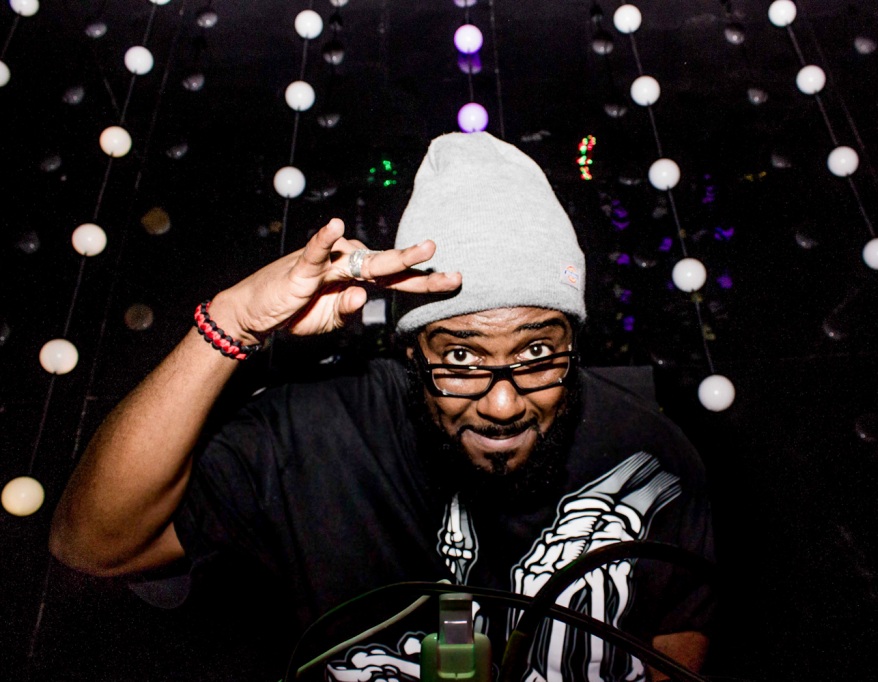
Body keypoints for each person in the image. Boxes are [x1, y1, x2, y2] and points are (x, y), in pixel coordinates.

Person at [49, 132, 714, 681]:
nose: (503, 401)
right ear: (410, 350)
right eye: (461, 356)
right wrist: (231, 324)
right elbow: (94, 546)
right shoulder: (312, 439)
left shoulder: (649, 454)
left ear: (574, 340)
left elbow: (677, 625)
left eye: (538, 351)